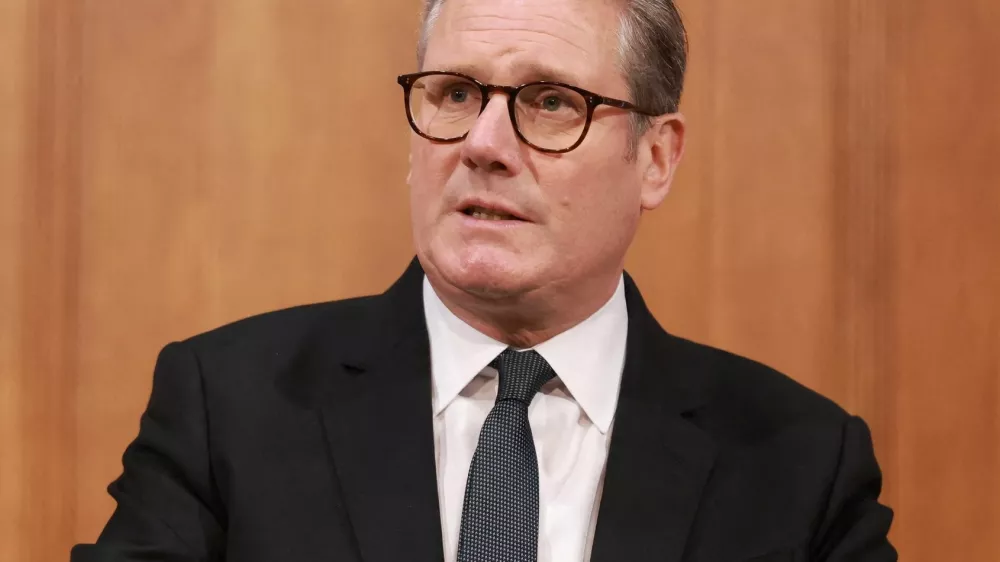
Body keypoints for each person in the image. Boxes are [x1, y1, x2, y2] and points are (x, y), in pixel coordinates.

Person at [72, 0, 896, 560]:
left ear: (655, 157)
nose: (483, 144)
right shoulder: (229, 406)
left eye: (547, 102)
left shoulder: (800, 463)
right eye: (455, 93)